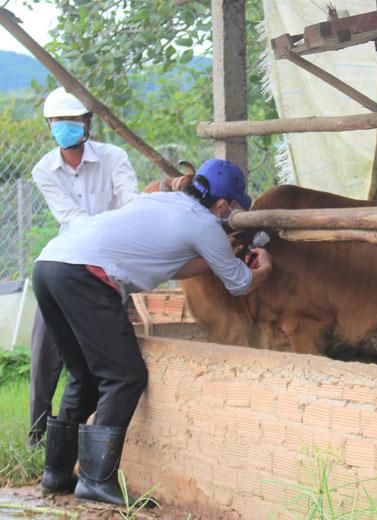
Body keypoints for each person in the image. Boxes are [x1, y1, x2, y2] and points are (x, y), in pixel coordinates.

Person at [32, 158, 272, 505]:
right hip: (84, 275)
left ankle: (55, 474)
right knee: (124, 375)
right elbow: (240, 284)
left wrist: (217, 256)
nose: (230, 212)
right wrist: (266, 269)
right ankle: (96, 481)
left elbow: (168, 263)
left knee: (83, 374)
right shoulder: (204, 224)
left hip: (50, 265)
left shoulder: (159, 200)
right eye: (233, 206)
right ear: (223, 205)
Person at [28, 87, 139, 445]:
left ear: (87, 123)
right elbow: (71, 218)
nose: (66, 127)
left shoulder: (113, 157)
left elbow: (130, 205)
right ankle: (38, 431)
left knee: (100, 362)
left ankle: (84, 436)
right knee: (45, 345)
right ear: (49, 124)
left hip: (112, 262)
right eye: (59, 121)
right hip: (69, 260)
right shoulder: (44, 170)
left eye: (73, 120)